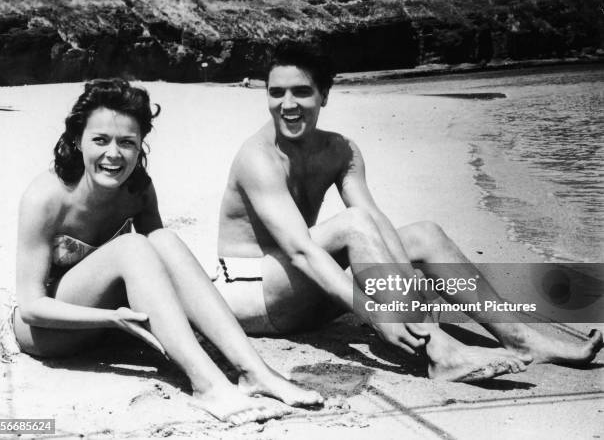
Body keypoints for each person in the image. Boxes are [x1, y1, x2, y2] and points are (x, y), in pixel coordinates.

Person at [215, 41, 603, 382]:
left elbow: (375, 223)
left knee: (425, 235)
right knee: (352, 226)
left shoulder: (339, 150)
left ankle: (520, 339)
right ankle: (441, 352)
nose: (287, 105)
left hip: (299, 288)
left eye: (301, 92)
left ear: (324, 95)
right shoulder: (259, 158)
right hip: (253, 297)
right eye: (276, 93)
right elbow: (302, 250)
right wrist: (379, 314)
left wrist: (409, 292)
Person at [10, 78, 322, 425]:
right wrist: (112, 318)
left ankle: (255, 371)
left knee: (162, 239)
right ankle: (208, 385)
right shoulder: (47, 198)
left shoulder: (137, 189)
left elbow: (163, 265)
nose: (113, 154)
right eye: (100, 140)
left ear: (140, 144)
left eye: (127, 143)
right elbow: (32, 307)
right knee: (131, 246)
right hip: (47, 331)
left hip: (114, 324)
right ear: (77, 140)